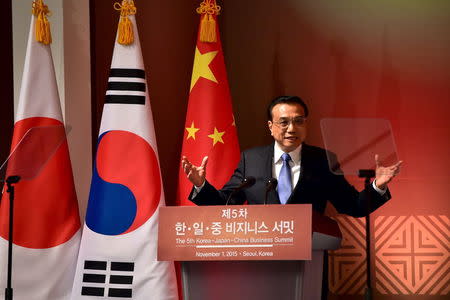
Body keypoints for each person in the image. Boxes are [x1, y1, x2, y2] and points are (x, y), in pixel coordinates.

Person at [181, 95, 402, 217]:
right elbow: (226, 204)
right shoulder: (252, 160)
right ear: (270, 126)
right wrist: (201, 185)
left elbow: (352, 206)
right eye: (284, 122)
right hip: (261, 259)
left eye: (298, 121)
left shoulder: (323, 160)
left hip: (310, 258)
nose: (291, 129)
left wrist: (378, 186)